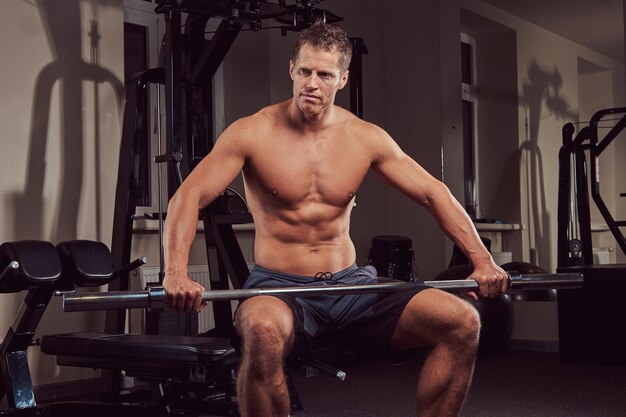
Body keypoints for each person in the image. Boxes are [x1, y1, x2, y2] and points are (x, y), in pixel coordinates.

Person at [162, 21, 509, 417]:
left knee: (462, 321)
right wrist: (175, 271)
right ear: (292, 69)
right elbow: (188, 196)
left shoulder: (364, 138)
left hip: (351, 286)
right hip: (279, 287)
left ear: (342, 78)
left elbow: (433, 193)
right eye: (305, 71)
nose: (312, 83)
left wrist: (482, 259)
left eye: (324, 74)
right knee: (261, 334)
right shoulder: (252, 133)